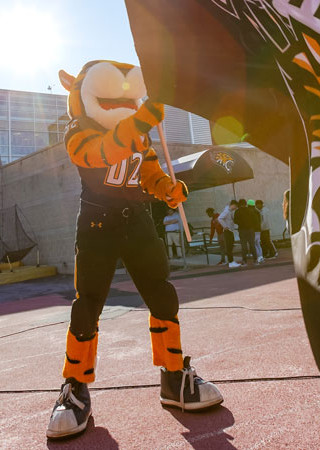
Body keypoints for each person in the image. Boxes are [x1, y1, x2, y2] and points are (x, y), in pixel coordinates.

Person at [47, 61, 222, 440]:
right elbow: (100, 155)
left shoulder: (140, 136)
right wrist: (140, 122)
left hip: (138, 219)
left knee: (162, 294)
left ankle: (174, 377)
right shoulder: (79, 130)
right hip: (97, 223)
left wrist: (168, 189)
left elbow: (149, 173)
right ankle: (75, 386)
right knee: (88, 302)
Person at [234, 198, 260, 265]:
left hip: (242, 230)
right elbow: (255, 220)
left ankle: (244, 261)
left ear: (239, 204)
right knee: (252, 245)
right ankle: (255, 260)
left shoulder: (237, 211)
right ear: (245, 204)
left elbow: (235, 221)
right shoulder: (250, 211)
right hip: (250, 230)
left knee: (244, 246)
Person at [218, 200, 241, 268]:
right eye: (236, 206)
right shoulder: (227, 211)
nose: (236, 208)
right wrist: (225, 226)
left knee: (230, 246)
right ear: (233, 205)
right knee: (229, 247)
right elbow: (220, 218)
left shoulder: (229, 211)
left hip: (230, 231)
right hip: (228, 231)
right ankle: (231, 262)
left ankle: (231, 261)